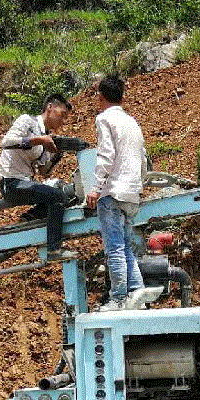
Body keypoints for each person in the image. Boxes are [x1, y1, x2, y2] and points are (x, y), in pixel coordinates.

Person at [86, 75, 148, 312]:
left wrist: (95, 188)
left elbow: (106, 156)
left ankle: (118, 298)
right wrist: (138, 185)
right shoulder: (132, 122)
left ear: (100, 97)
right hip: (132, 194)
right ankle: (137, 293)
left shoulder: (104, 119)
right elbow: (143, 160)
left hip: (112, 193)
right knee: (125, 247)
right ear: (122, 97)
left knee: (114, 248)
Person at [0, 94, 76, 262]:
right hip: (10, 182)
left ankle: (29, 218)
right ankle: (54, 250)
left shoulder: (46, 136)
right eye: (62, 115)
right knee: (57, 197)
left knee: (66, 194)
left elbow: (44, 171)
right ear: (50, 108)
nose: (63, 121)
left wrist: (57, 153)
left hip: (26, 183)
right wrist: (39, 140)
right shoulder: (27, 121)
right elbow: (7, 142)